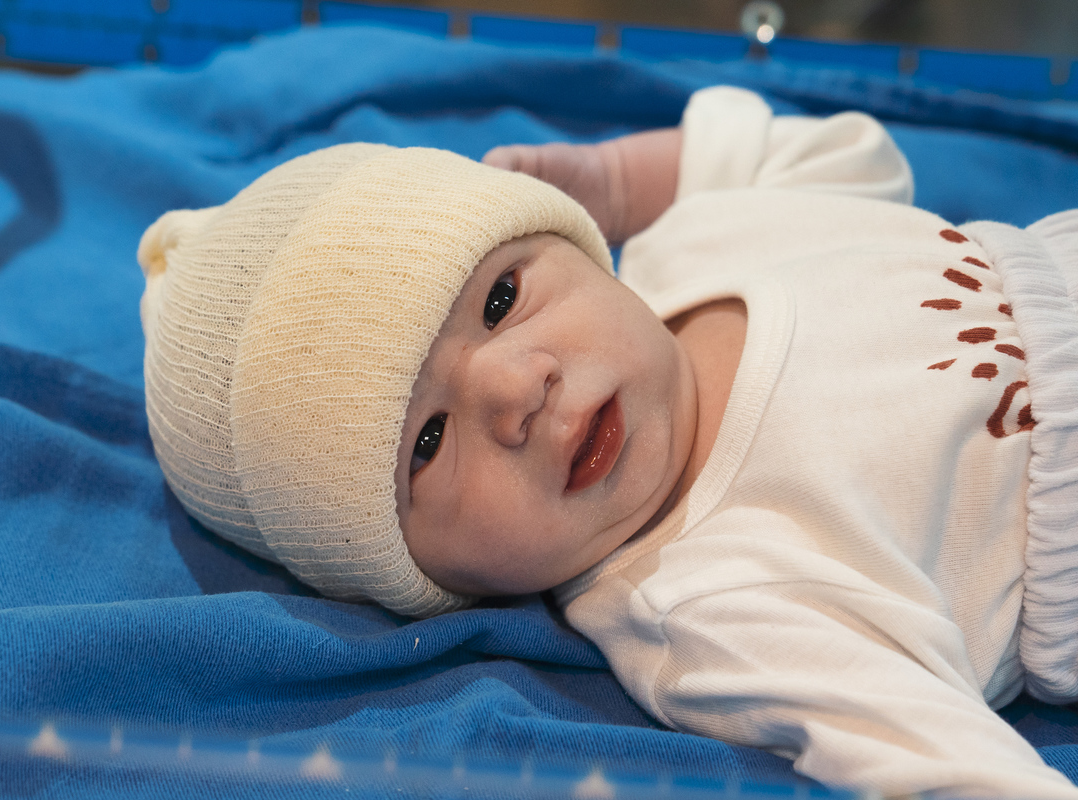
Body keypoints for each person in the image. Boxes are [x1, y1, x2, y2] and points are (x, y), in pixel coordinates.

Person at [135, 85, 1078, 798]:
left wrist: (621, 183)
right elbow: (938, 759)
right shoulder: (706, 603)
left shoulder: (698, 240)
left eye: (501, 299)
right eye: (426, 442)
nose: (516, 389)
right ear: (419, 578)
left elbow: (844, 156)